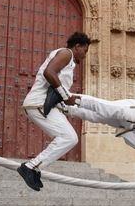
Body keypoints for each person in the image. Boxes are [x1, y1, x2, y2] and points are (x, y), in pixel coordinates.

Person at [17, 32, 91, 191]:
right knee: (69, 137)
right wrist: (66, 96)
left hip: (42, 105)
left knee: (69, 138)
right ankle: (30, 167)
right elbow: (48, 72)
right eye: (85, 50)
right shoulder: (66, 53)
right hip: (38, 103)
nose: (85, 55)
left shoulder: (69, 60)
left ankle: (35, 167)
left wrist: (68, 105)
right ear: (77, 46)